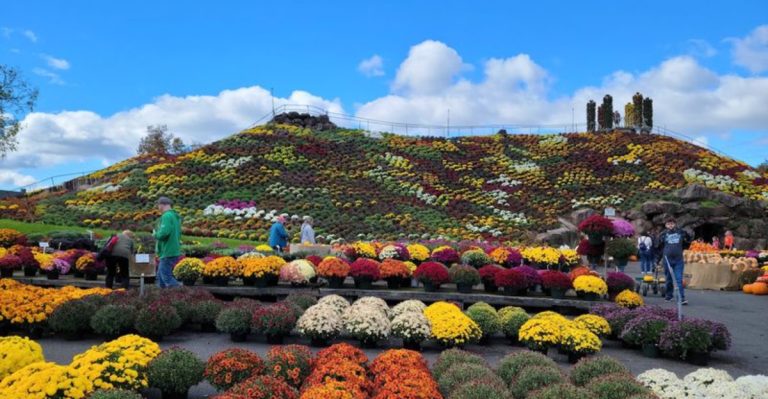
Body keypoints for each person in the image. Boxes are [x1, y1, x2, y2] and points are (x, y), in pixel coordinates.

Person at [655, 217, 692, 305]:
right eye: (668, 223)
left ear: (675, 224)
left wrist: (683, 247)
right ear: (666, 225)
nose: (670, 225)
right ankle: (669, 296)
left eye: (672, 223)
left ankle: (681, 298)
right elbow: (659, 248)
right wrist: (657, 261)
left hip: (678, 260)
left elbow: (688, 241)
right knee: (669, 279)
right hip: (667, 260)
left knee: (679, 279)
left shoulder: (681, 232)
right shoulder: (663, 234)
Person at [153, 196, 182, 288]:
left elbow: (164, 233)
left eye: (158, 205)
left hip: (168, 251)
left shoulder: (166, 216)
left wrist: (155, 234)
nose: (158, 207)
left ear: (161, 205)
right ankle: (162, 298)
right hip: (173, 250)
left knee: (166, 278)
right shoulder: (175, 216)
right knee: (160, 277)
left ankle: (182, 294)